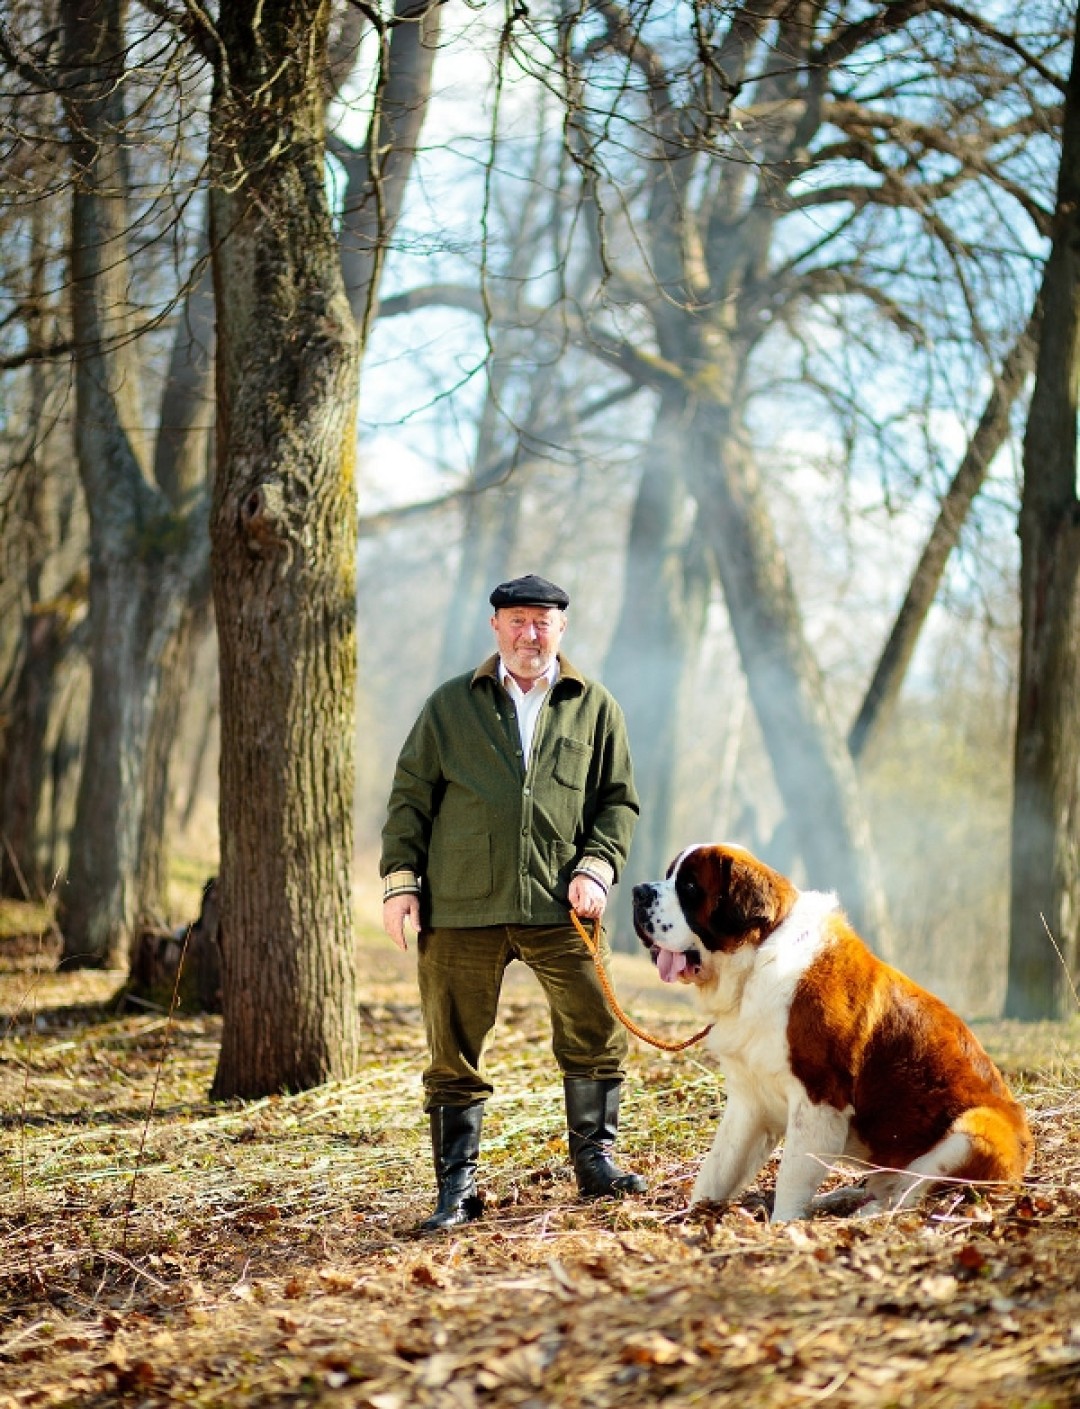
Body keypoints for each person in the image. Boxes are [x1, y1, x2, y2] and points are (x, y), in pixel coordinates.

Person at [381, 573, 645, 1231]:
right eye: (519, 620)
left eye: (543, 622)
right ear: (495, 626)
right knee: (453, 1048)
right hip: (461, 905)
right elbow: (410, 797)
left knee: (595, 1028)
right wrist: (400, 883)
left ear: (562, 628)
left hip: (564, 906)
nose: (531, 634)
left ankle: (596, 1164)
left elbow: (617, 801)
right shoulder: (450, 705)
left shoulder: (595, 706)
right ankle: (457, 1190)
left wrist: (598, 867)